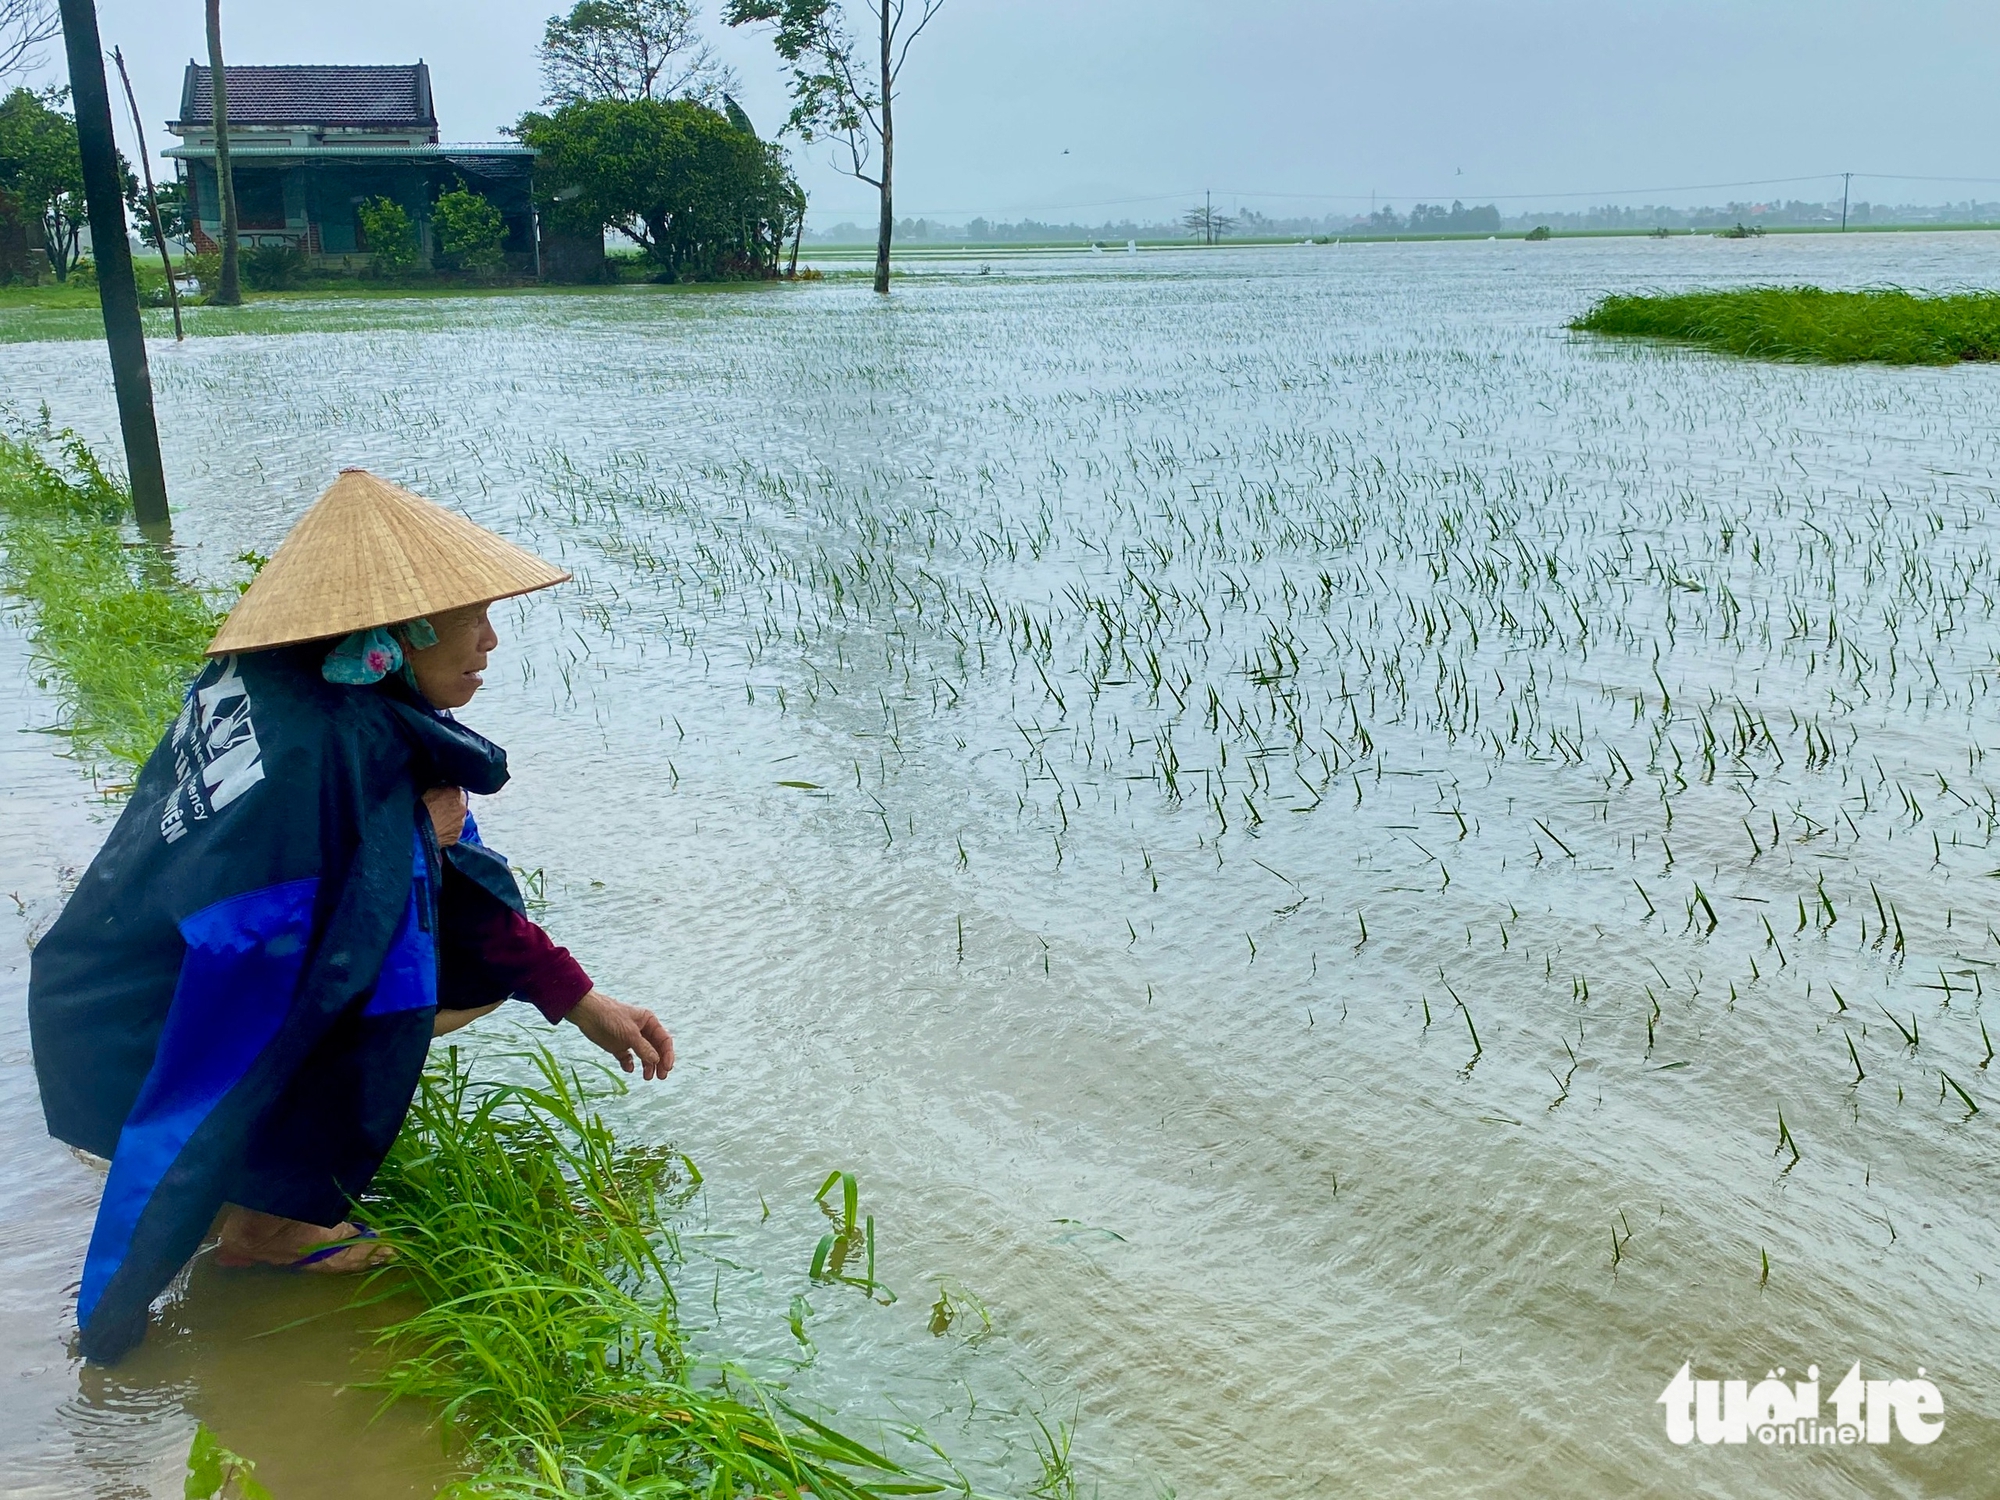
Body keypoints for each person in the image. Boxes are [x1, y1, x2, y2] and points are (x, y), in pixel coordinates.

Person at [27, 469, 672, 1363]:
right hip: (155, 1015)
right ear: (395, 632)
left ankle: (253, 1187)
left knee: (423, 948)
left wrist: (583, 1000)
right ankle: (268, 1229)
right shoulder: (345, 747)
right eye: (471, 617)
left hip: (100, 979)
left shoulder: (281, 691)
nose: (490, 640)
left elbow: (465, 895)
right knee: (386, 981)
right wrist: (410, 847)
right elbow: (254, 979)